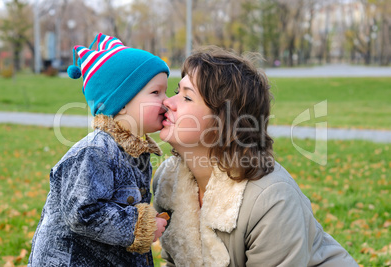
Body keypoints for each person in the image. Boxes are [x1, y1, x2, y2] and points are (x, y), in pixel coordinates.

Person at [153, 46, 358, 266]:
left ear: (224, 122)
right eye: (177, 92)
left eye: (187, 98)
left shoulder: (271, 199)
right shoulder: (168, 180)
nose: (168, 102)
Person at [28, 33, 169, 267]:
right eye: (156, 93)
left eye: (166, 91)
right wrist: (140, 225)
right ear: (121, 103)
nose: (166, 101)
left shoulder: (134, 152)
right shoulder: (95, 151)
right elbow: (82, 212)